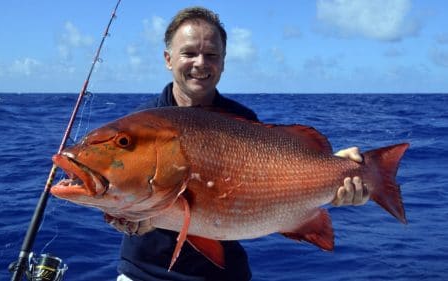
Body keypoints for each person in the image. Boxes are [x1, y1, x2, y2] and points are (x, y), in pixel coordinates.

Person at [113, 6, 369, 281]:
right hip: (144, 274)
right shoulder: (138, 127)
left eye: (211, 55)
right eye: (189, 53)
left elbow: (277, 178)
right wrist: (124, 221)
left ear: (223, 62)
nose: (200, 63)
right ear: (168, 59)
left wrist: (338, 173)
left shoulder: (243, 121)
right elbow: (118, 190)